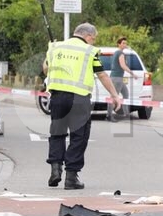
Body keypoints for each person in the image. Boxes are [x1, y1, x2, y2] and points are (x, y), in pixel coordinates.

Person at [42, 22, 123, 189]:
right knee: (79, 136)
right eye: (93, 39)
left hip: (58, 97)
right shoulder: (88, 51)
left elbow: (46, 69)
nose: (93, 42)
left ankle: (55, 169)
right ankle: (71, 177)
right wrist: (115, 95)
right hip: (79, 99)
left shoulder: (56, 47)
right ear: (88, 36)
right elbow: (101, 74)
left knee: (57, 133)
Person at [109, 36, 133, 120]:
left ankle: (126, 114)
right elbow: (123, 65)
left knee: (126, 93)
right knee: (114, 97)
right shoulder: (120, 53)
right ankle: (109, 115)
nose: (125, 45)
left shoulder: (117, 52)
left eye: (126, 43)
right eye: (123, 43)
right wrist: (132, 73)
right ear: (118, 44)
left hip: (118, 77)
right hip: (117, 78)